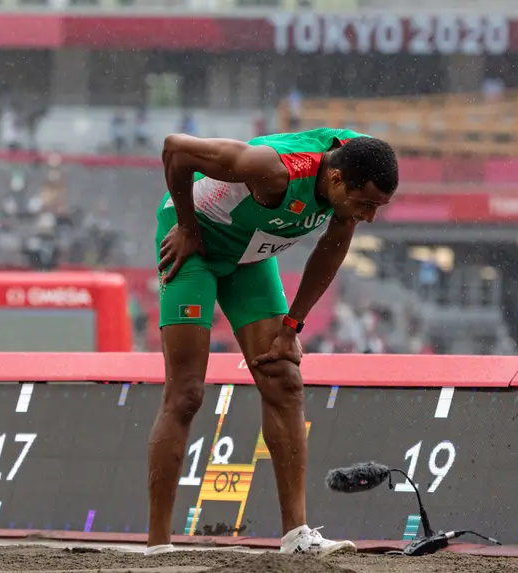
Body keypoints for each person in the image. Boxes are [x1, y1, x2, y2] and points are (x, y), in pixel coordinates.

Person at [146, 127, 399, 556]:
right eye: (366, 205)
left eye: (377, 207)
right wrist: (187, 226)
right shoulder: (271, 170)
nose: (369, 216)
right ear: (337, 181)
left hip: (249, 256)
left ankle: (297, 537)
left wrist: (291, 327)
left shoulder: (357, 165)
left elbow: (333, 247)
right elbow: (174, 150)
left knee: (284, 379)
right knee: (186, 394)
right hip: (194, 243)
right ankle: (158, 546)